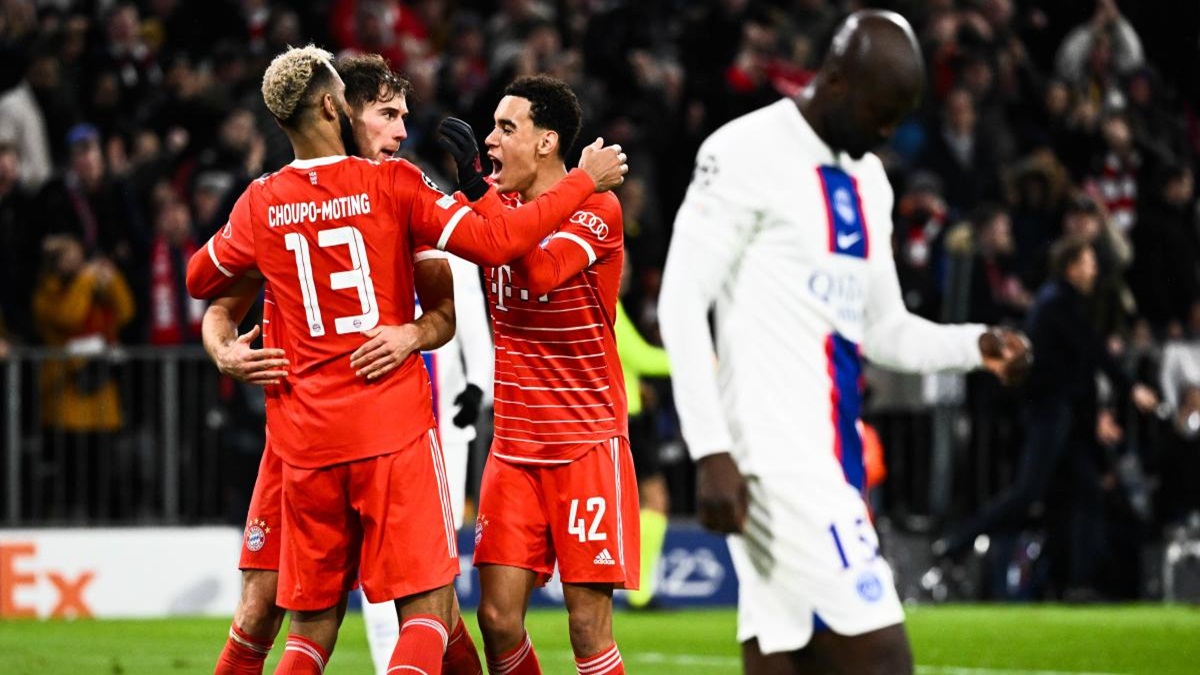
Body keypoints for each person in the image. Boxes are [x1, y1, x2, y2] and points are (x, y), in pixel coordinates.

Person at [186, 45, 626, 675]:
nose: (401, 130)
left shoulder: (264, 201)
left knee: (326, 622)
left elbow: (204, 283)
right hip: (368, 434)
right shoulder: (398, 187)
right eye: (387, 114)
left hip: (311, 436)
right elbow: (499, 243)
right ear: (340, 111)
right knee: (403, 610)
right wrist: (222, 345)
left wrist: (413, 333)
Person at [656, 12, 1030, 675]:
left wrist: (976, 345)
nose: (886, 132)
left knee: (784, 660)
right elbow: (682, 301)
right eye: (879, 114)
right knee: (883, 659)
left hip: (834, 460)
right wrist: (710, 448)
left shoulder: (869, 180)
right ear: (834, 81)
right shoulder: (744, 151)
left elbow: (882, 328)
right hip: (775, 463)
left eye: (898, 118)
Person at [442, 75, 639, 675]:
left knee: (587, 627)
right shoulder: (493, 209)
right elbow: (489, 237)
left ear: (547, 141)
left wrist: (484, 194)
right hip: (514, 448)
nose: (490, 141)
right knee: (497, 621)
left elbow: (540, 271)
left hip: (585, 442)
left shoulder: (598, 207)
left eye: (507, 128)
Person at [934, 236, 1159, 597]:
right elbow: (1092, 352)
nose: (1094, 270)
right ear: (1071, 267)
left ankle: (1080, 583)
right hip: (1050, 414)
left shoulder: (1061, 302)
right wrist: (1130, 387)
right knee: (1029, 493)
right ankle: (956, 542)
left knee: (1085, 492)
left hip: (1066, 416)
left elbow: (1081, 363)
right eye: (1088, 263)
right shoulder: (1057, 304)